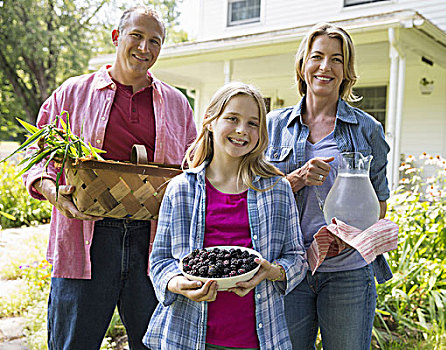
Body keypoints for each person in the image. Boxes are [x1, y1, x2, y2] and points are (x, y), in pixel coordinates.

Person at [22, 5, 197, 350]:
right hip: (85, 240)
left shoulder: (177, 104)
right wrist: (54, 192)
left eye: (154, 41)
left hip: (154, 246)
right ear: (117, 37)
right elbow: (36, 153)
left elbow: (195, 166)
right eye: (137, 36)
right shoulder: (73, 93)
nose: (145, 48)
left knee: (154, 345)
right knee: (74, 343)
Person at [143, 82, 307, 350]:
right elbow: (160, 262)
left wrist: (272, 272)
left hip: (259, 338)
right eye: (232, 118)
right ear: (210, 121)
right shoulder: (180, 189)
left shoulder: (277, 189)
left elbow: (297, 257)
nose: (242, 130)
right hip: (187, 336)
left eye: (253, 123)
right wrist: (177, 284)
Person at [266, 22, 393, 350]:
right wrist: (295, 179)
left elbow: (379, 203)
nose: (325, 67)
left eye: (336, 59)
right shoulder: (272, 127)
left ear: (346, 70)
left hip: (348, 270)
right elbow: (252, 194)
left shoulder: (367, 129)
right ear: (303, 64)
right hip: (290, 267)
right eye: (317, 57)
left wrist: (357, 239)